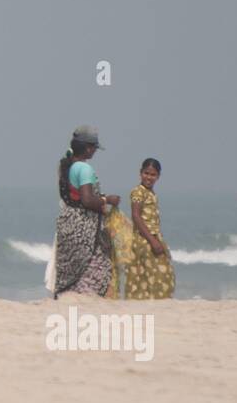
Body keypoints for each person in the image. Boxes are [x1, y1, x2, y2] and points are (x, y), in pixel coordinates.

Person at [51, 126, 121, 298]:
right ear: (89, 148)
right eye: (95, 148)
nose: (95, 151)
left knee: (71, 267)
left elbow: (75, 197)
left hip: (69, 223)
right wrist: (107, 200)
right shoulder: (84, 169)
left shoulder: (67, 166)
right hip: (85, 227)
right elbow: (87, 200)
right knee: (96, 266)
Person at [123, 158, 175, 299]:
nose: (149, 177)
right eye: (146, 173)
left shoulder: (150, 193)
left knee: (151, 273)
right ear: (140, 173)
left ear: (158, 176)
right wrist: (152, 241)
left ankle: (149, 300)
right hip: (144, 239)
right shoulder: (138, 192)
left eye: (153, 175)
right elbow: (136, 216)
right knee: (158, 272)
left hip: (152, 236)